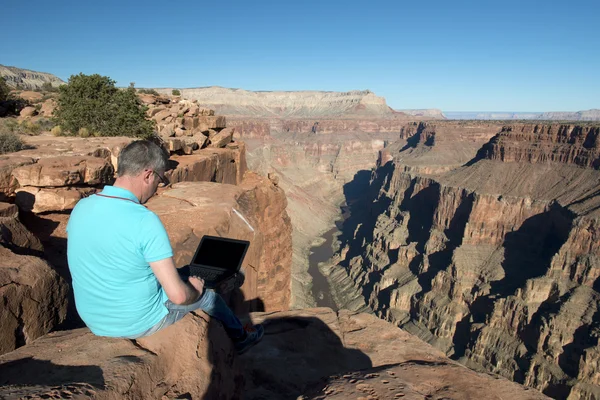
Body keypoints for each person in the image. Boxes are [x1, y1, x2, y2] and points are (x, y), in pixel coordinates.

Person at [66, 140, 264, 354]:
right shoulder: (144, 220)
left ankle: (215, 280)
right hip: (135, 321)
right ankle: (241, 337)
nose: (157, 187)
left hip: (94, 317)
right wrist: (196, 289)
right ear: (148, 174)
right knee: (207, 296)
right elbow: (179, 297)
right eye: (160, 180)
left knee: (187, 271)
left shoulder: (82, 207)